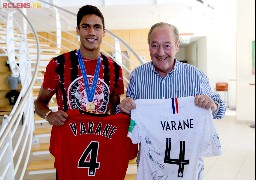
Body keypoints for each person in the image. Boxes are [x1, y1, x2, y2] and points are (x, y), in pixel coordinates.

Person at [34, 5, 137, 179]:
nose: (91, 32)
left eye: (97, 27)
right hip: (70, 149)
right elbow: (39, 103)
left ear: (104, 32)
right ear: (77, 30)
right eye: (85, 26)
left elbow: (115, 111)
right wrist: (49, 114)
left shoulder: (114, 69)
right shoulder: (59, 64)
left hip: (101, 147)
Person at [119, 22, 226, 178]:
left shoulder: (195, 76)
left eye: (167, 45)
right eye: (154, 45)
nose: (161, 52)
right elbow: (127, 118)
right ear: (149, 46)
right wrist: (124, 108)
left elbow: (219, 110)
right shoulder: (137, 76)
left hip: (187, 168)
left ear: (177, 46)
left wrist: (213, 105)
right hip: (151, 169)